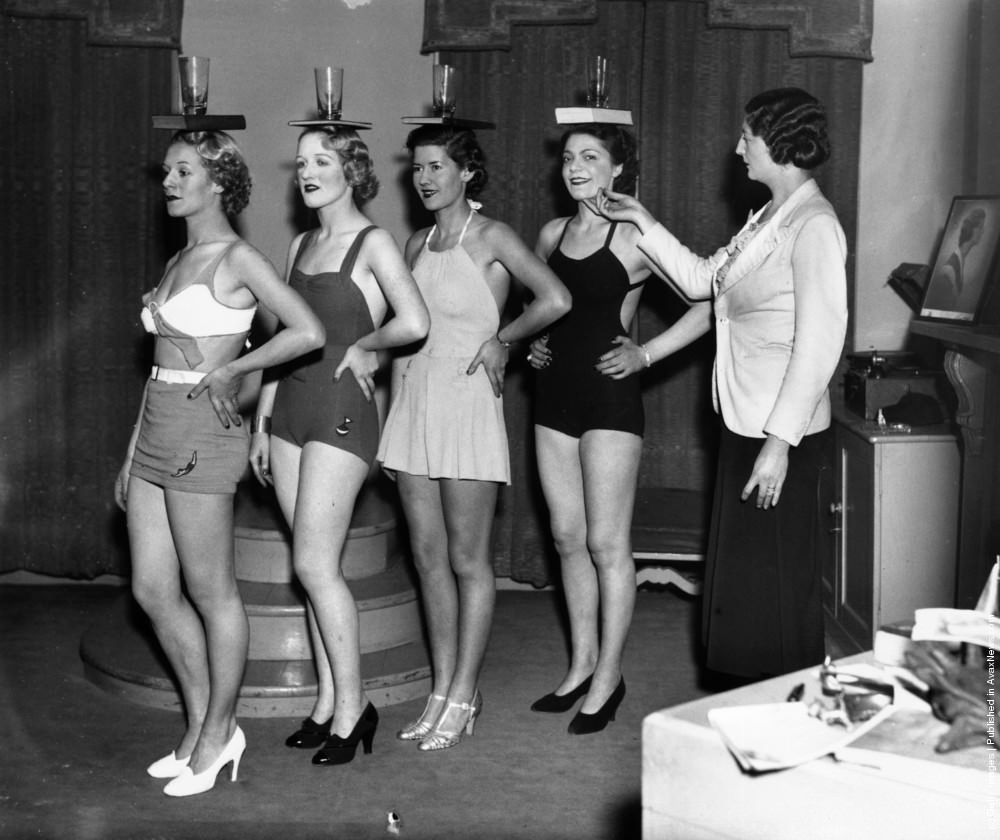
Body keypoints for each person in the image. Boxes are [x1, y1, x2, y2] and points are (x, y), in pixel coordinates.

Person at [595, 87, 848, 681]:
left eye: (747, 138)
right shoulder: (768, 218)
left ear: (780, 144)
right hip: (744, 422)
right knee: (749, 584)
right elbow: (703, 284)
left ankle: (786, 717)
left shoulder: (815, 225)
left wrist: (779, 444)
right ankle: (746, 710)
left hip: (779, 436)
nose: (737, 150)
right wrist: (643, 221)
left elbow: (820, 345)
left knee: (776, 586)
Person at [115, 130, 326, 796]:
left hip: (204, 433)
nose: (169, 182)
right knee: (152, 590)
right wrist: (130, 456)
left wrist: (237, 366)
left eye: (183, 171)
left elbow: (307, 330)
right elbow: (157, 370)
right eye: (168, 172)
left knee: (213, 595)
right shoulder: (181, 259)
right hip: (155, 426)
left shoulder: (237, 258)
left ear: (217, 181)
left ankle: (218, 731)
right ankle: (203, 720)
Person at [377, 123, 571, 751]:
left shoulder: (493, 237)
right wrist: (393, 422)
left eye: (437, 166)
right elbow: (405, 338)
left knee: (467, 560)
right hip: (415, 407)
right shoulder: (413, 242)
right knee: (428, 559)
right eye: (418, 168)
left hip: (466, 402)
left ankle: (465, 691)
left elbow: (555, 297)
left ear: (466, 172)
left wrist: (503, 340)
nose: (425, 178)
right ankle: (441, 689)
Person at [248, 126, 429, 766]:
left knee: (316, 567)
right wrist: (264, 417)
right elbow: (289, 338)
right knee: (309, 565)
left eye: (322, 160)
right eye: (301, 162)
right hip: (292, 408)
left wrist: (365, 346)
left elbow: (415, 321)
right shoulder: (301, 242)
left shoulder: (373, 242)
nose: (307, 171)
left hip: (341, 413)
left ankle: (356, 710)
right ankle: (327, 703)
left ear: (351, 170)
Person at [526, 124, 712, 733]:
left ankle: (609, 676)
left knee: (607, 543)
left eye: (591, 157)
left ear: (616, 171)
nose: (576, 167)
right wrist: (535, 346)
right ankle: (580, 665)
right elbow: (544, 311)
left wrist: (647, 354)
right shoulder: (551, 234)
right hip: (553, 398)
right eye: (570, 157)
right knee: (566, 537)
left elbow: (704, 302)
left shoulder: (632, 235)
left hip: (610, 399)